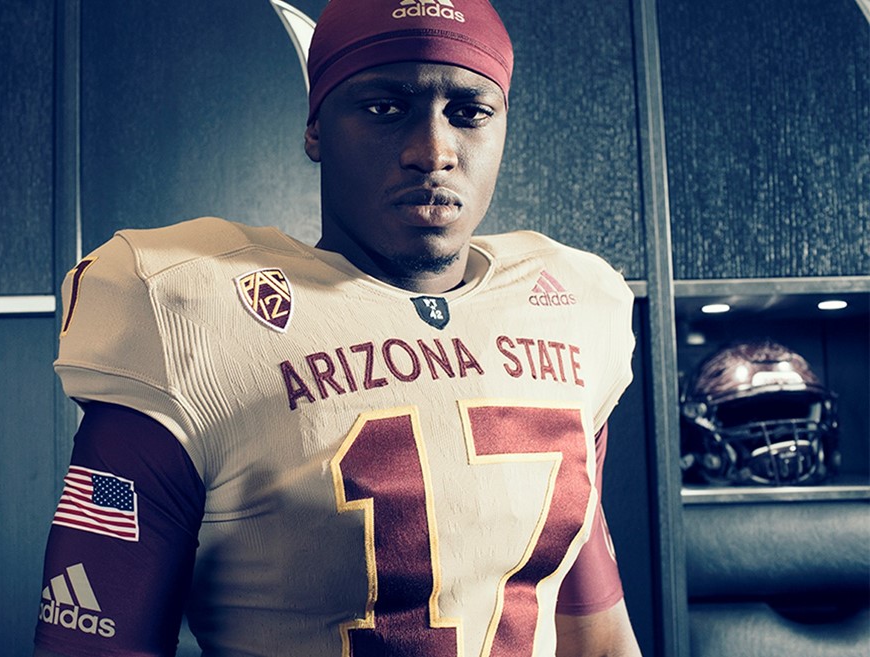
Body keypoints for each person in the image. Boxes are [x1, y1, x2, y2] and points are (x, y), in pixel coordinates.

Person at [34, 0, 642, 655]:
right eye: (385, 108)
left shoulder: (574, 311)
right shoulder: (190, 315)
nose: (433, 151)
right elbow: (91, 644)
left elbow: (597, 635)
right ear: (316, 127)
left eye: (469, 112)